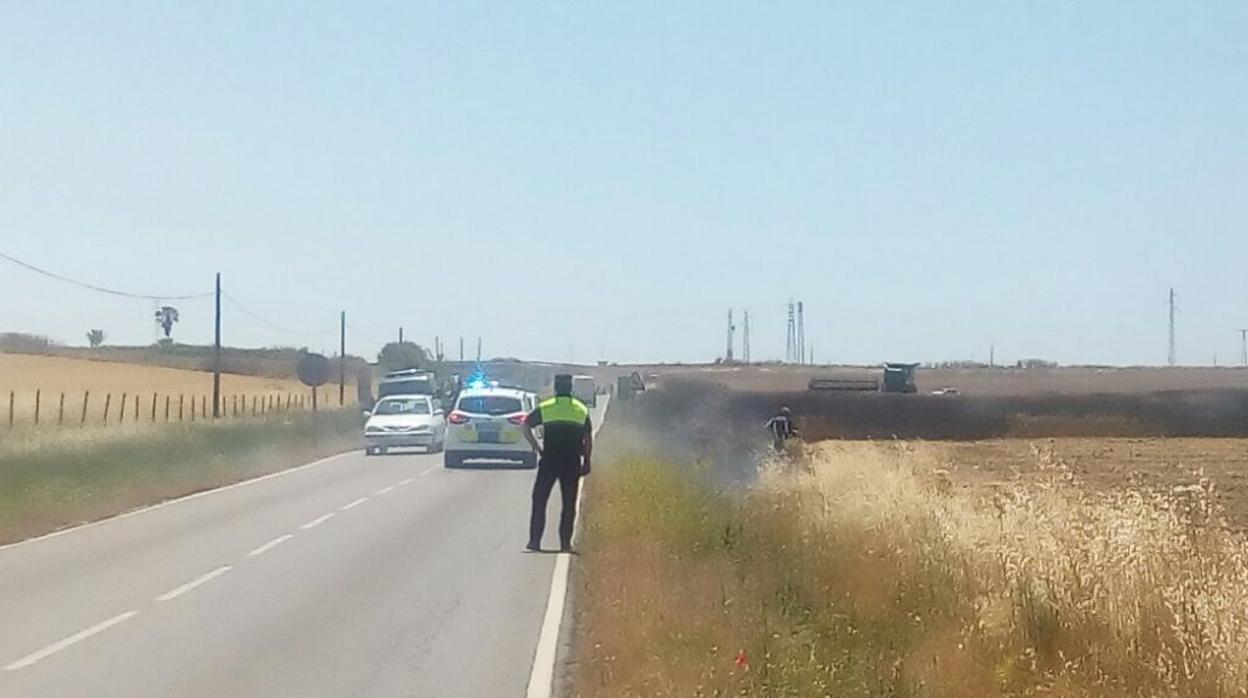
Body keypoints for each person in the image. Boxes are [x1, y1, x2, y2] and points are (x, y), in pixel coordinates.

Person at [521, 374, 593, 552]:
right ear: (571, 388)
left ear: (555, 388)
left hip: (549, 460)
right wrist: (587, 460)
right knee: (568, 504)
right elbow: (587, 438)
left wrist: (537, 447)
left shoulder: (546, 407)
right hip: (572, 461)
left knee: (539, 500)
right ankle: (565, 544)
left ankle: (535, 541)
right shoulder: (580, 409)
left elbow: (524, 425)